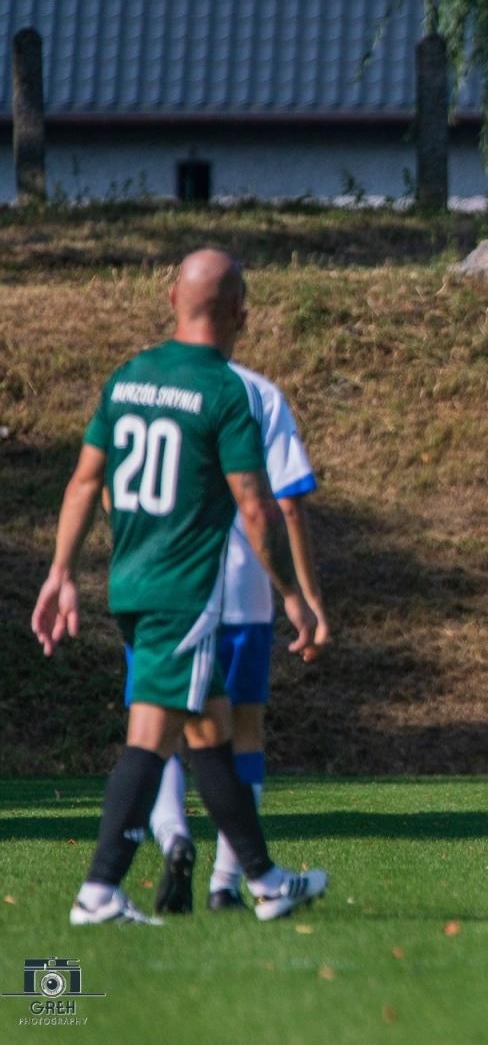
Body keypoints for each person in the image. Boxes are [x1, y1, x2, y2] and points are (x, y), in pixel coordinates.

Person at [31, 249, 330, 924]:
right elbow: (256, 505)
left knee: (209, 729)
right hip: (186, 591)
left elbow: (84, 480)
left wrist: (60, 573)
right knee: (152, 736)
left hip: (132, 582)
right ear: (240, 315)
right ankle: (100, 888)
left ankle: (264, 880)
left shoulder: (129, 377)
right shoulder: (226, 391)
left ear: (173, 302)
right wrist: (290, 593)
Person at [139, 358, 330, 915]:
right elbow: (286, 503)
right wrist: (305, 597)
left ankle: (173, 834)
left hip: (164, 584)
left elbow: (106, 487)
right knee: (242, 730)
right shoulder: (258, 393)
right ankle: (227, 882)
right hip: (241, 586)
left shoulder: (146, 385)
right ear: (237, 314)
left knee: (162, 728)